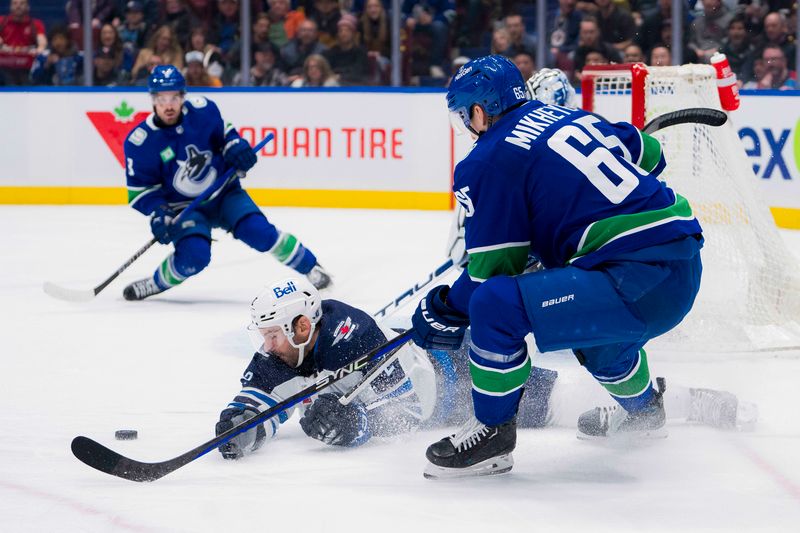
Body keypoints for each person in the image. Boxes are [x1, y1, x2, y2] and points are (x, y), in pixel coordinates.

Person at [410, 55, 704, 479]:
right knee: (594, 335)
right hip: (682, 266)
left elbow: (487, 278)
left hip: (634, 278)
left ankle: (492, 434)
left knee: (494, 304)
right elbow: (652, 156)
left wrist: (441, 307)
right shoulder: (570, 117)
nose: (466, 125)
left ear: (479, 111)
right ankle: (646, 413)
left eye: (465, 115)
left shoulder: (486, 160)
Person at [215, 277, 754, 460]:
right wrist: (241, 429)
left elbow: (407, 408)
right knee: (576, 410)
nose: (265, 345)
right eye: (263, 334)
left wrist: (353, 427)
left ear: (303, 326)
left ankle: (690, 401)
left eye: (272, 333)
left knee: (565, 403)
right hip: (446, 384)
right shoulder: (279, 349)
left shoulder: (349, 332)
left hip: (461, 381)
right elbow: (259, 399)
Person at [122, 65, 332, 300]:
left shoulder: (204, 111)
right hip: (184, 209)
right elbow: (141, 191)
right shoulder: (140, 142)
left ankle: (311, 267)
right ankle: (156, 283)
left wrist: (237, 148)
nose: (168, 105)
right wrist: (160, 212)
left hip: (225, 193)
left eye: (174, 97)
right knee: (194, 256)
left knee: (260, 233)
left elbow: (228, 136)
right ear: (152, 100)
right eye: (161, 99)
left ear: (183, 96)